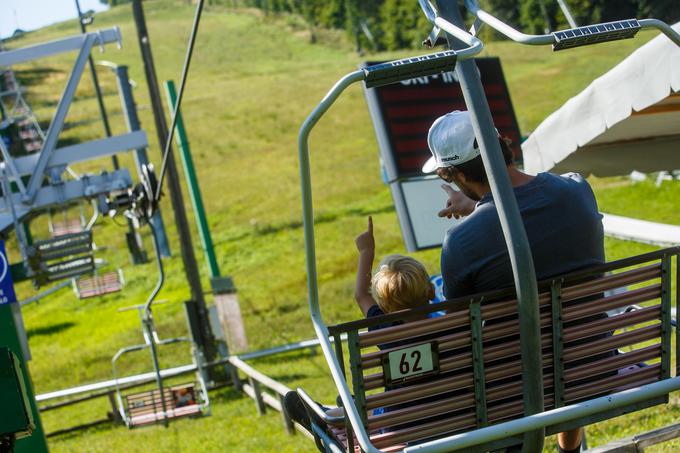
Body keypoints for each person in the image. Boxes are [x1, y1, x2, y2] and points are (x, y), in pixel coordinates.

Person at [423, 110, 605, 453]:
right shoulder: (577, 190)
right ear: (502, 144)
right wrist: (480, 205)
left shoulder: (461, 242)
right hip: (590, 363)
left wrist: (478, 214)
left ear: (458, 174)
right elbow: (525, 212)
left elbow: (459, 333)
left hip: (512, 390)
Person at [283, 216, 435, 446]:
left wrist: (366, 251)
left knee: (386, 402)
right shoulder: (457, 325)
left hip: (397, 428)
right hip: (450, 418)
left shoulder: (386, 331)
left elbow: (361, 295)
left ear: (384, 309)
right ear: (432, 291)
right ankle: (348, 409)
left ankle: (335, 418)